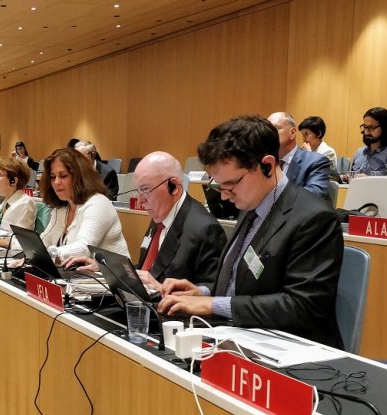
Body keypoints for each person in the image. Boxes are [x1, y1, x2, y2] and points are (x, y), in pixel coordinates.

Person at [157, 115, 344, 348]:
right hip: (239, 336)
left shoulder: (314, 218)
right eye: (219, 185)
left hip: (292, 350)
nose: (224, 195)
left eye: (231, 184)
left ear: (267, 166)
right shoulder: (251, 205)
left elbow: (302, 305)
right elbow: (247, 284)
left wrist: (213, 304)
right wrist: (202, 293)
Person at [62, 152, 227, 291]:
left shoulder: (205, 229)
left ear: (174, 187)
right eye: (138, 191)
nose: (140, 201)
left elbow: (211, 293)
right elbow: (147, 270)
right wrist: (106, 268)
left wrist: (161, 289)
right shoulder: (162, 212)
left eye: (145, 190)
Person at [39, 148, 128, 260]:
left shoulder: (98, 203)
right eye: (52, 177)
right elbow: (45, 241)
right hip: (75, 270)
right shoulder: (62, 207)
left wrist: (47, 254)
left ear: (80, 177)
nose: (56, 182)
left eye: (63, 176)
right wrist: (30, 256)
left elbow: (83, 248)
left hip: (110, 271)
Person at [267, 112, 331, 200]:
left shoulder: (316, 162)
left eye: (274, 129)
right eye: (266, 130)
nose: (268, 134)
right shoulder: (265, 162)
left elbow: (313, 197)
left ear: (292, 133)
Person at [350, 107, 387, 175]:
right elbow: (352, 176)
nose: (366, 132)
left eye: (371, 127)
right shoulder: (359, 152)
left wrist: (367, 178)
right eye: (365, 127)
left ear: (384, 128)